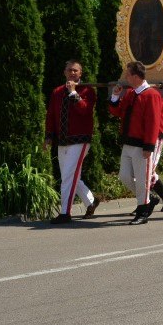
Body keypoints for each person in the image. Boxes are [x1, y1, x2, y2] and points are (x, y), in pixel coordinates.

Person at [109, 61, 163, 225]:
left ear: (135, 76)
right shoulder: (130, 93)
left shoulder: (152, 95)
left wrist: (149, 146)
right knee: (124, 176)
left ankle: (143, 211)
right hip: (128, 143)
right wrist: (115, 97)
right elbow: (117, 112)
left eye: (128, 74)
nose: (125, 77)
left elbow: (153, 122)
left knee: (142, 180)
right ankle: (149, 199)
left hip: (142, 145)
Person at [45, 60, 99, 224]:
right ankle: (91, 201)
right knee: (70, 176)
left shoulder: (88, 91)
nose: (72, 73)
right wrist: (48, 136)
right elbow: (51, 115)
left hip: (80, 141)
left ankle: (65, 213)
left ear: (80, 73)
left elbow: (85, 110)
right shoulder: (57, 92)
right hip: (62, 141)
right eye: (69, 70)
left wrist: (74, 93)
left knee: (68, 176)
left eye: (75, 70)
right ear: (65, 72)